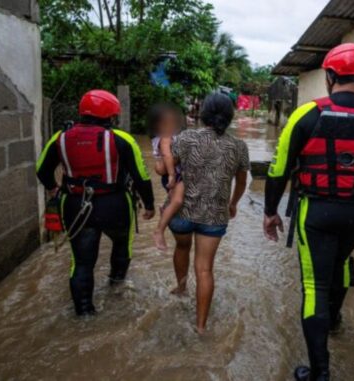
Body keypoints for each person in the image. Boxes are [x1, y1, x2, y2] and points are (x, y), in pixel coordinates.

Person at [263, 43, 354, 381]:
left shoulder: (306, 114)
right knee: (342, 263)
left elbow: (278, 168)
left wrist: (270, 211)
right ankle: (336, 319)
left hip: (315, 212)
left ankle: (320, 373)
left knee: (314, 285)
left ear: (330, 75)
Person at [36, 89, 155, 316]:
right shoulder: (123, 139)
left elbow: (42, 170)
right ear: (110, 115)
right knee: (122, 245)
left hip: (75, 206)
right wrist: (149, 205)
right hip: (115, 206)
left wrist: (54, 188)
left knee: (81, 262)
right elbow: (142, 177)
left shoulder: (60, 137)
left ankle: (84, 313)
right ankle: (116, 286)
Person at [169, 92, 250, 333]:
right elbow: (242, 182)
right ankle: (201, 326)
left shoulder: (185, 138)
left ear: (203, 113)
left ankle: (181, 288)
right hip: (214, 217)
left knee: (182, 247)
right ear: (230, 116)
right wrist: (233, 203)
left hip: (182, 213)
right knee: (205, 269)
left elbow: (168, 168)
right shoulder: (238, 146)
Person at [149, 104, 185, 251]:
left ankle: (165, 208)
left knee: (175, 199)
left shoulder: (172, 135)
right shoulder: (164, 137)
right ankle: (159, 231)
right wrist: (171, 175)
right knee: (178, 200)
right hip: (174, 175)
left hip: (176, 174)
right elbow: (166, 155)